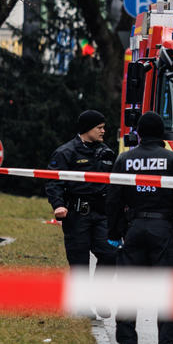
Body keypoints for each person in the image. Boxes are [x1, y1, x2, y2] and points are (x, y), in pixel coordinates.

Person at [107, 112, 173, 344]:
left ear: (138, 132)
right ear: (162, 134)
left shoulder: (124, 159)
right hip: (163, 229)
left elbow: (114, 199)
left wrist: (114, 234)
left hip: (134, 228)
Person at [46, 110, 118, 269]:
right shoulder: (66, 153)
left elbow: (115, 181)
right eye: (99, 127)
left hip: (102, 214)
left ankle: (98, 293)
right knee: (79, 265)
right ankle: (82, 293)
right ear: (87, 128)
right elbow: (54, 181)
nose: (103, 131)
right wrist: (58, 204)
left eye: (103, 127)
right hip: (77, 216)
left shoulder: (106, 152)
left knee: (111, 255)